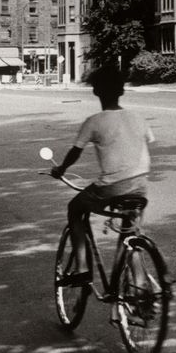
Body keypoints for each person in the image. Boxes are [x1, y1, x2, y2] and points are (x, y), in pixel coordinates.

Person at [50, 66, 153, 281]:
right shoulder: (138, 117)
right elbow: (145, 143)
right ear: (122, 90)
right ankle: (140, 289)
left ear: (96, 91)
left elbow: (75, 152)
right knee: (130, 233)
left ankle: (82, 269)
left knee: (75, 208)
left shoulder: (94, 121)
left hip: (113, 186)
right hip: (141, 185)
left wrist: (61, 169)